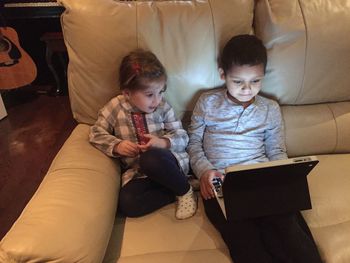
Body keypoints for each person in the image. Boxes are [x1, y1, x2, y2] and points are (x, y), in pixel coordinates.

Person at [187, 35, 322, 262]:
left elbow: (276, 151)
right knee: (244, 240)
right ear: (223, 75)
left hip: (262, 182)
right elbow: (193, 144)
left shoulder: (269, 108)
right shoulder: (207, 102)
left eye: (255, 81)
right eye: (238, 81)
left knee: (287, 230)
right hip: (221, 183)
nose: (247, 89)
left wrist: (283, 173)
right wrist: (204, 171)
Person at [89, 49, 197, 220]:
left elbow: (182, 136)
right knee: (127, 203)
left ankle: (184, 191)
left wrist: (163, 143)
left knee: (150, 158)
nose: (157, 100)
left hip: (168, 164)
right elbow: (95, 132)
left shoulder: (163, 107)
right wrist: (117, 146)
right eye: (149, 95)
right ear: (127, 93)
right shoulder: (115, 107)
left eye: (161, 92)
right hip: (139, 173)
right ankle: (180, 188)